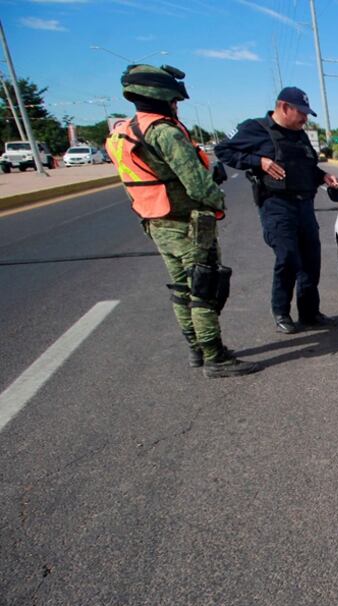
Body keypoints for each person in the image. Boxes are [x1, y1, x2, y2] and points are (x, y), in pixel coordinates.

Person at [106, 64, 260, 379]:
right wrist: (218, 200)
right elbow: (197, 185)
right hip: (186, 224)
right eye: (174, 100)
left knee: (181, 289)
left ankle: (196, 350)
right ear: (161, 96)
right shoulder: (164, 132)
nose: (177, 106)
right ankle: (215, 357)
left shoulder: (125, 131)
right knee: (203, 289)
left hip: (155, 222)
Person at [215, 87, 338, 334]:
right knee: (287, 258)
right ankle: (282, 313)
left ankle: (309, 312)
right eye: (302, 112)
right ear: (284, 107)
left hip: (304, 205)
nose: (306, 118)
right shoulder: (256, 129)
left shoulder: (299, 135)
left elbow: (306, 167)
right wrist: (259, 162)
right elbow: (224, 150)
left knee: (310, 259)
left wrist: (324, 176)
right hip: (276, 205)